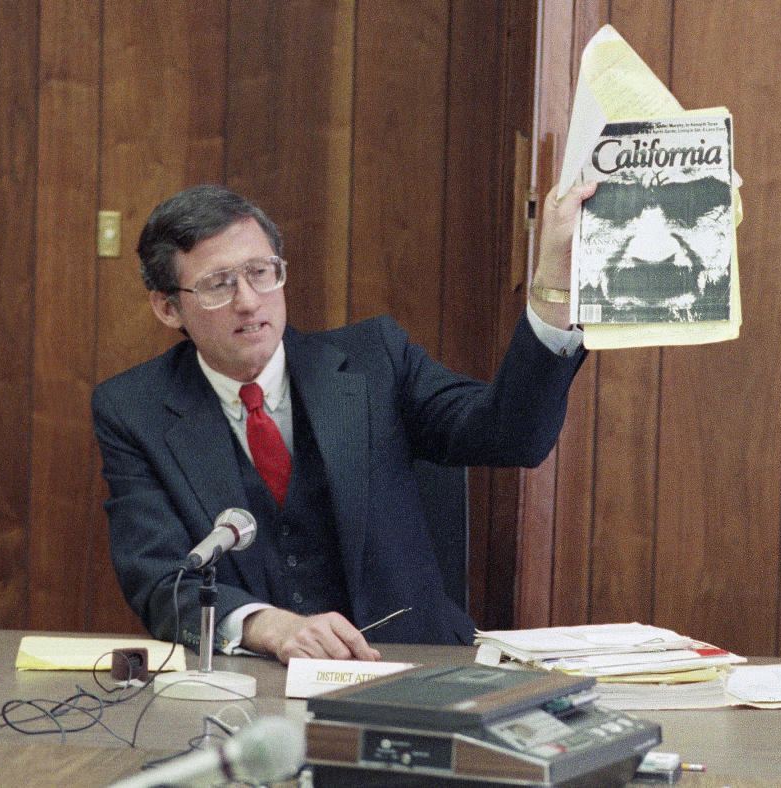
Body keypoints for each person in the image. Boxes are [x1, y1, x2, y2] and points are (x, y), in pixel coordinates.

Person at [92, 181, 596, 664]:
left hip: (407, 666)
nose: (248, 300)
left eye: (261, 272)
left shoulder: (375, 361)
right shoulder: (134, 409)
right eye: (219, 285)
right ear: (168, 307)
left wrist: (553, 278)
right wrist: (269, 627)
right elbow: (159, 578)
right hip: (254, 681)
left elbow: (513, 436)